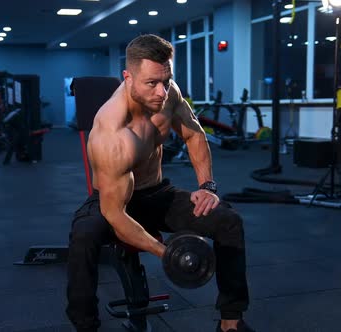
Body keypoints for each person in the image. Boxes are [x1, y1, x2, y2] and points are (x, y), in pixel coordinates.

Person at [66, 34, 254, 332]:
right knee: (83, 238)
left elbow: (194, 134)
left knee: (228, 221)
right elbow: (115, 215)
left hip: (156, 193)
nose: (161, 91)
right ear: (128, 77)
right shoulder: (113, 134)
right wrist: (167, 253)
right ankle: (85, 326)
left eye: (166, 80)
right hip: (113, 201)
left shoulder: (169, 94)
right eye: (151, 83)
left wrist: (207, 187)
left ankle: (231, 322)